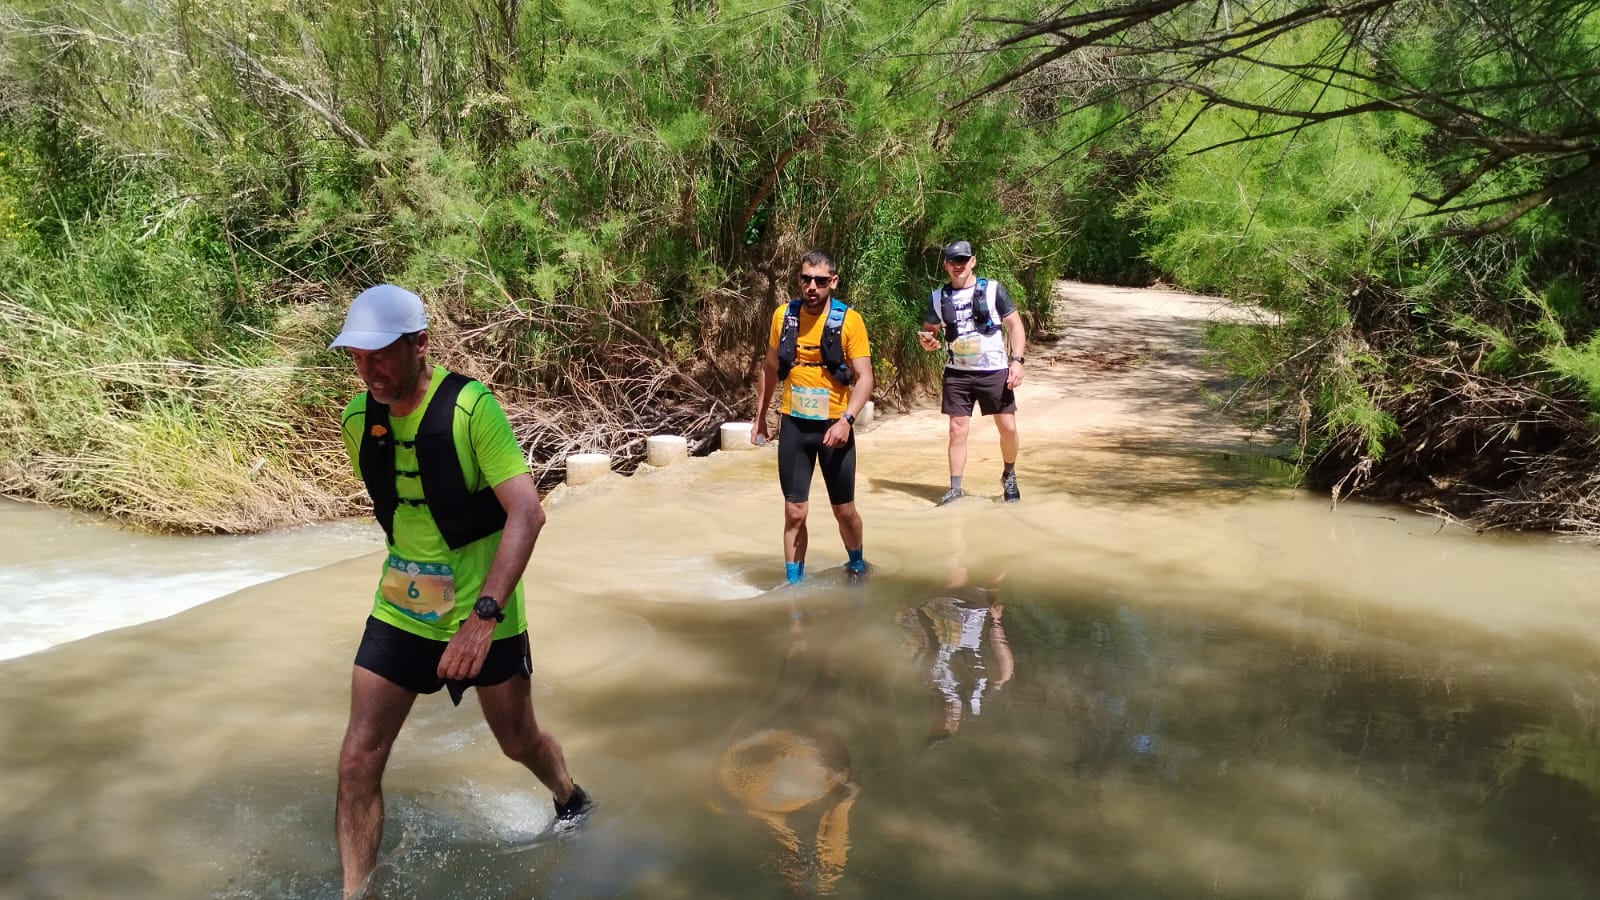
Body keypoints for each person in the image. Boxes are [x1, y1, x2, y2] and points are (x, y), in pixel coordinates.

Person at [329, 284, 589, 899]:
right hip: (400, 609)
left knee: (516, 740)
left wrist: (482, 618)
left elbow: (527, 513)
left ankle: (569, 796)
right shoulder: (358, 421)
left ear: (419, 344)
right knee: (357, 759)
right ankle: (354, 893)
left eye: (380, 355)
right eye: (357, 357)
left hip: (484, 611)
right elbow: (400, 517)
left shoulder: (471, 410)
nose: (368, 370)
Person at [751, 249, 875, 585]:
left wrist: (846, 421)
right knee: (794, 511)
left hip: (836, 427)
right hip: (795, 425)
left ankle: (857, 565)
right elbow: (770, 368)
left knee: (844, 511)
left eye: (820, 281)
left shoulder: (850, 321)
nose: (812, 287)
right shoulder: (783, 317)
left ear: (833, 282)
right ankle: (794, 585)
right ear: (799, 280)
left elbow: (865, 378)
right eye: (806, 279)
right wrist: (760, 417)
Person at [917, 240, 1027, 504]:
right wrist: (927, 341)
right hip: (958, 373)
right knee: (957, 429)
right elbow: (928, 331)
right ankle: (955, 488)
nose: (958, 266)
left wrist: (1017, 361)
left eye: (963, 260)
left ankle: (1009, 474)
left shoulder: (993, 290)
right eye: (953, 261)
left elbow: (1015, 326)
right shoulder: (938, 298)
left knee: (1008, 428)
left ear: (973, 261)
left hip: (994, 371)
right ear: (946, 265)